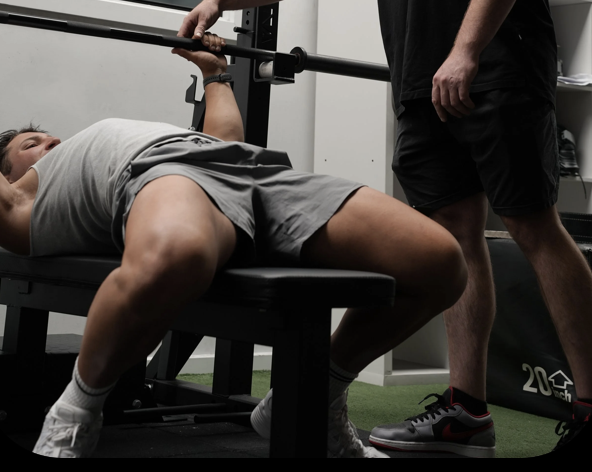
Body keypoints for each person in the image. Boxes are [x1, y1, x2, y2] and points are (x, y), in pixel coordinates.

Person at [178, 0, 592, 455]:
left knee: (532, 225)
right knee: (453, 243)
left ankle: (590, 402)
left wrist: (464, 51)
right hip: (421, 94)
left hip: (495, 73)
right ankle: (467, 412)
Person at [0, 34, 467, 459]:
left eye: (47, 134)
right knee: (178, 254)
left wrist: (215, 73)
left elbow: (225, 139)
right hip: (168, 175)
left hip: (256, 174)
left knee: (440, 265)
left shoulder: (89, 144)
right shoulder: (26, 201)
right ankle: (72, 418)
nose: (53, 140)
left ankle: (310, 397)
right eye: (30, 143)